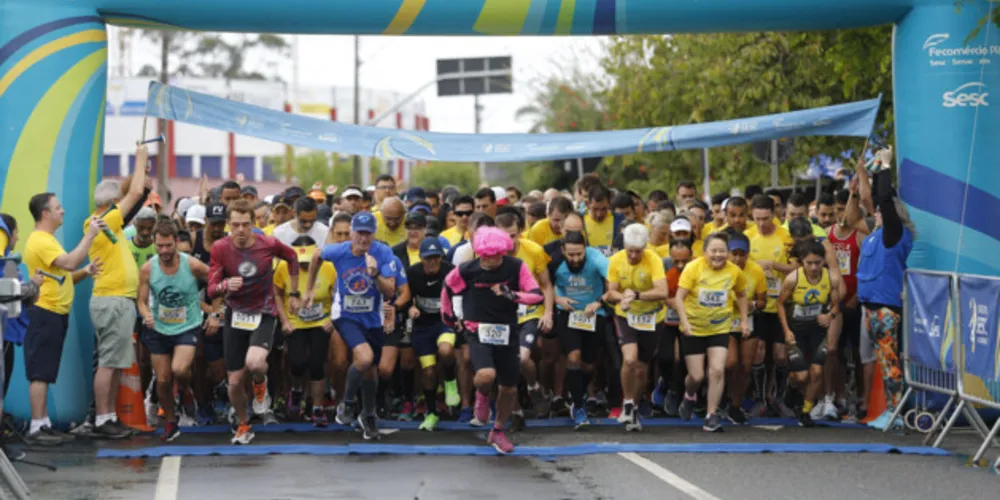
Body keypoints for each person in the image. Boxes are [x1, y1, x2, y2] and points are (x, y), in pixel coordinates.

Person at [441, 227, 543, 454]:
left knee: (509, 387)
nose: (491, 261)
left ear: (503, 252)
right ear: (479, 253)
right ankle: (482, 394)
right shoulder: (467, 270)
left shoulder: (515, 267)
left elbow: (537, 294)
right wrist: (449, 318)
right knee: (487, 375)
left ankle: (498, 430)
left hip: (507, 330)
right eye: (486, 257)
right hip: (477, 329)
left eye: (496, 256)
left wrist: (513, 295)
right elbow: (447, 288)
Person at [207, 200, 300, 445]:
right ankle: (243, 423)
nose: (240, 230)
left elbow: (292, 257)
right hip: (236, 314)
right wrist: (226, 285)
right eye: (235, 225)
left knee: (256, 362)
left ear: (254, 223)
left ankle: (260, 384)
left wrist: (294, 292)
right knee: (235, 382)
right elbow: (211, 289)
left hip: (263, 311)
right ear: (228, 225)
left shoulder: (267, 243)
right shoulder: (220, 248)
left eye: (245, 225)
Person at [304, 212, 396, 440]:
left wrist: (375, 275)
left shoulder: (383, 253)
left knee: (371, 370)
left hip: (373, 318)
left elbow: (390, 291)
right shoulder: (339, 250)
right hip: (345, 314)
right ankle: (346, 403)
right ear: (352, 233)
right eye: (359, 233)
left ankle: (369, 414)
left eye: (368, 234)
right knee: (363, 359)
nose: (363, 239)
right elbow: (316, 256)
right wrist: (308, 289)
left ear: (373, 234)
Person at [23, 193, 104, 445]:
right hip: (45, 311)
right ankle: (37, 425)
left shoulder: (47, 240)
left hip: (54, 312)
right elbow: (68, 263)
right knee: (40, 372)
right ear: (45, 214)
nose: (63, 211)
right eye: (58, 208)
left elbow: (64, 275)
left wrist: (85, 271)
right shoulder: (41, 240)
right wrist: (90, 235)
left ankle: (43, 422)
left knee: (45, 371)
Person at [86, 144, 150, 439]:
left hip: (116, 299)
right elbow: (135, 194)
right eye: (118, 202)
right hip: (112, 300)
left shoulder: (104, 222)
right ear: (112, 202)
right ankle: (102, 417)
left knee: (113, 361)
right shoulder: (106, 219)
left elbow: (136, 193)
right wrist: (139, 159)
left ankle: (108, 415)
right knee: (109, 362)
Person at [850, 147, 913, 430]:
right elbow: (871, 200)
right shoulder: (875, 234)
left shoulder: (894, 235)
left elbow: (884, 201)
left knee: (889, 362)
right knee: (884, 361)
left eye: (881, 210)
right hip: (871, 308)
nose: (876, 211)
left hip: (886, 308)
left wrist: (886, 168)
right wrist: (867, 172)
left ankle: (896, 412)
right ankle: (892, 410)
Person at [137, 220, 211, 442]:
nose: (164, 251)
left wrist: (216, 311)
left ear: (176, 242)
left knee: (179, 370)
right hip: (159, 327)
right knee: (162, 380)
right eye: (159, 246)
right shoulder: (148, 269)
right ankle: (171, 421)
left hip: (187, 325)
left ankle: (186, 390)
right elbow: (140, 300)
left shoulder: (193, 265)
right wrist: (145, 314)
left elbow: (216, 282)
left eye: (168, 246)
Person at [675, 233, 750, 432]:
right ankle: (689, 395)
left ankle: (711, 415)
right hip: (694, 328)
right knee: (697, 376)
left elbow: (742, 295)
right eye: (713, 251)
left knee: (717, 370)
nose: (718, 255)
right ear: (704, 252)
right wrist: (685, 323)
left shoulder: (734, 271)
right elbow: (679, 298)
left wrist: (743, 321)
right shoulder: (693, 268)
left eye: (722, 251)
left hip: (720, 327)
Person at [606, 224, 668, 432]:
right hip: (626, 315)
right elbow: (611, 291)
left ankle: (634, 405)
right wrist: (624, 298)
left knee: (642, 367)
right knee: (630, 358)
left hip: (652, 316)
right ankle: (627, 402)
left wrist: (637, 295)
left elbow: (663, 290)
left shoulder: (654, 260)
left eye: (638, 251)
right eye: (629, 250)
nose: (633, 255)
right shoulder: (616, 260)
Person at [497, 212, 555, 425]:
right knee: (504, 362)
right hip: (503, 314)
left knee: (521, 358)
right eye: (505, 237)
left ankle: (533, 386)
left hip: (530, 311)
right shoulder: (491, 253)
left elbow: (547, 284)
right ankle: (515, 411)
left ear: (520, 232)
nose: (510, 242)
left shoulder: (534, 250)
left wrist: (548, 313)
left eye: (513, 235)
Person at [273, 236, 336, 427]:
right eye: (301, 262)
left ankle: (317, 408)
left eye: (308, 261)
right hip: (295, 323)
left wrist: (332, 319)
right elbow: (277, 292)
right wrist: (284, 320)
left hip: (321, 321)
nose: (305, 265)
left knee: (317, 364)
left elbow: (337, 295)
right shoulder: (283, 268)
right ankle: (297, 391)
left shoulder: (328, 268)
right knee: (298, 361)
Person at [777, 239, 838, 427]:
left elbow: (836, 304)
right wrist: (786, 331)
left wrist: (830, 315)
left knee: (817, 372)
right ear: (802, 261)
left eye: (817, 263)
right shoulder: (793, 278)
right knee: (801, 376)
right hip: (796, 330)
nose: (813, 267)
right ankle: (791, 385)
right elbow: (780, 304)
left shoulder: (831, 278)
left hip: (817, 330)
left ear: (824, 262)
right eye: (809, 263)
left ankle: (805, 411)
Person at [552, 231, 609, 429]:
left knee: (588, 366)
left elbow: (615, 282)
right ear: (563, 251)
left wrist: (599, 302)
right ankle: (578, 406)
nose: (575, 259)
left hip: (593, 315)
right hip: (568, 313)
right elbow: (543, 284)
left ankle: (576, 392)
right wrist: (558, 299)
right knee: (573, 357)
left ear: (585, 249)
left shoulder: (597, 259)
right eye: (571, 255)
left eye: (579, 254)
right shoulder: (555, 261)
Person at [406, 238, 458, 431]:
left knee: (445, 351)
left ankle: (451, 382)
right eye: (428, 259)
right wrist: (410, 308)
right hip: (423, 326)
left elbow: (461, 294)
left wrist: (458, 314)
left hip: (445, 322)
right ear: (421, 259)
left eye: (436, 258)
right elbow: (404, 295)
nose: (432, 262)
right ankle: (431, 412)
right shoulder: (412, 273)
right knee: (428, 371)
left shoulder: (450, 271)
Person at [722, 231, 768, 424]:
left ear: (748, 254)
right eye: (734, 253)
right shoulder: (721, 269)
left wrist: (753, 305)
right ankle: (721, 396)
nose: (738, 258)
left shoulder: (756, 271)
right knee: (731, 363)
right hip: (726, 322)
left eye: (742, 254)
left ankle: (735, 405)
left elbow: (763, 300)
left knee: (746, 366)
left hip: (748, 321)